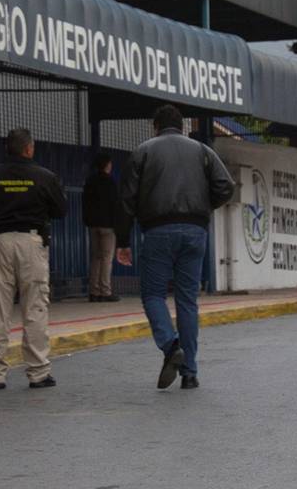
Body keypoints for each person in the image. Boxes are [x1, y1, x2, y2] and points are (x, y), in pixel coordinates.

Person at [117, 105, 234, 390]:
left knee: (153, 295)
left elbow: (127, 199)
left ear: (155, 127)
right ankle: (190, 373)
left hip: (157, 231)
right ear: (182, 126)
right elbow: (226, 186)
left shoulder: (143, 151)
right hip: (195, 231)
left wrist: (122, 240)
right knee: (187, 301)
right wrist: (203, 208)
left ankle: (171, 348)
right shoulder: (203, 150)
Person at [0, 128, 66, 390]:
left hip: (0, 243)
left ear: (8, 149)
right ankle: (38, 372)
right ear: (29, 149)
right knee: (35, 306)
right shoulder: (45, 177)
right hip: (32, 243)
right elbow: (61, 210)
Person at [83, 153, 123, 302]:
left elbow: (85, 202)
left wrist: (87, 220)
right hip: (108, 225)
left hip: (93, 224)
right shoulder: (111, 182)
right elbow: (115, 204)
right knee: (107, 258)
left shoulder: (90, 181)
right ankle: (105, 291)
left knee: (96, 257)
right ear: (107, 165)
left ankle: (93, 291)